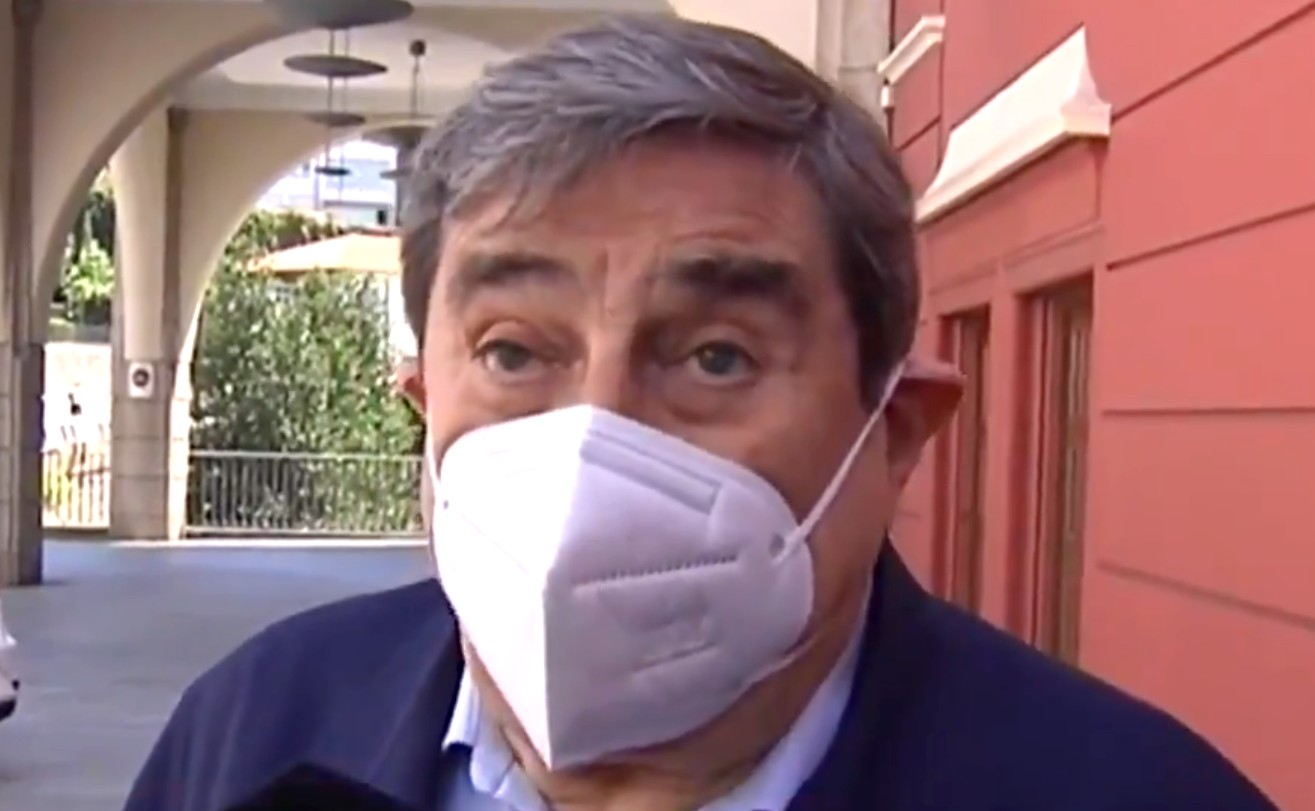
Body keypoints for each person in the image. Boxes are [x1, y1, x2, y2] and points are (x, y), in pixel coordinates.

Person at [123, 16, 1277, 811]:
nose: (596, 438)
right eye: (514, 350)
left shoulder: (1135, 794)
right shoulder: (252, 734)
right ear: (423, 405)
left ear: (895, 432)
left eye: (716, 357)